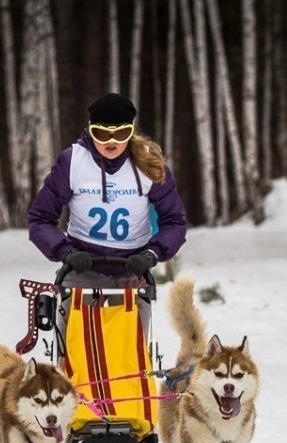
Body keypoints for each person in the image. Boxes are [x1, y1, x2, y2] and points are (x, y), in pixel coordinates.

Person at [27, 92, 187, 335]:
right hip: (81, 266)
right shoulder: (73, 162)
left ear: (131, 131)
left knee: (129, 349)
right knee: (74, 344)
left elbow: (174, 221)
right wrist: (66, 251)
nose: (111, 142)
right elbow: (40, 219)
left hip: (133, 268)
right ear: (90, 130)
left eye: (120, 133)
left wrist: (152, 253)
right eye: (101, 133)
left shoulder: (148, 163)